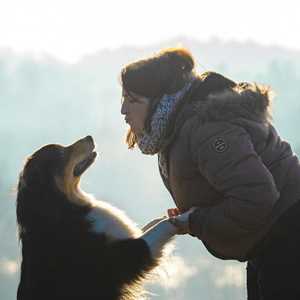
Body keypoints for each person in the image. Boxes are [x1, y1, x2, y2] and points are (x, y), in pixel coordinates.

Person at [119, 47, 300, 299]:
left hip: (288, 241)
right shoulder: (175, 130)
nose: (123, 110)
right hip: (271, 243)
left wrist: (196, 221)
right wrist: (191, 214)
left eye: (133, 100)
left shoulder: (207, 129)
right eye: (123, 98)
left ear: (160, 101)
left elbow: (256, 198)